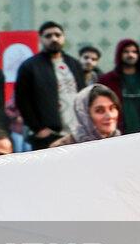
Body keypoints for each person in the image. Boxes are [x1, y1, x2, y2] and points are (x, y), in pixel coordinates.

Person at [14, 21, 86, 150]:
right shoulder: (30, 66)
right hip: (48, 135)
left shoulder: (74, 64)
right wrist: (39, 129)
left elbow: (84, 95)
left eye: (57, 35)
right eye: (48, 36)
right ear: (40, 39)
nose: (54, 39)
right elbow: (22, 101)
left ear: (63, 37)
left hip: (76, 133)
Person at [97, 39, 140, 134]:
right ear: (119, 54)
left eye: (134, 52)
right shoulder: (107, 80)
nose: (131, 55)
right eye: (126, 52)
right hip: (118, 133)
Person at [50, 84, 122, 146]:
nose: (109, 116)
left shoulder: (121, 142)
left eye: (112, 108)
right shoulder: (62, 149)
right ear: (84, 116)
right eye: (100, 111)